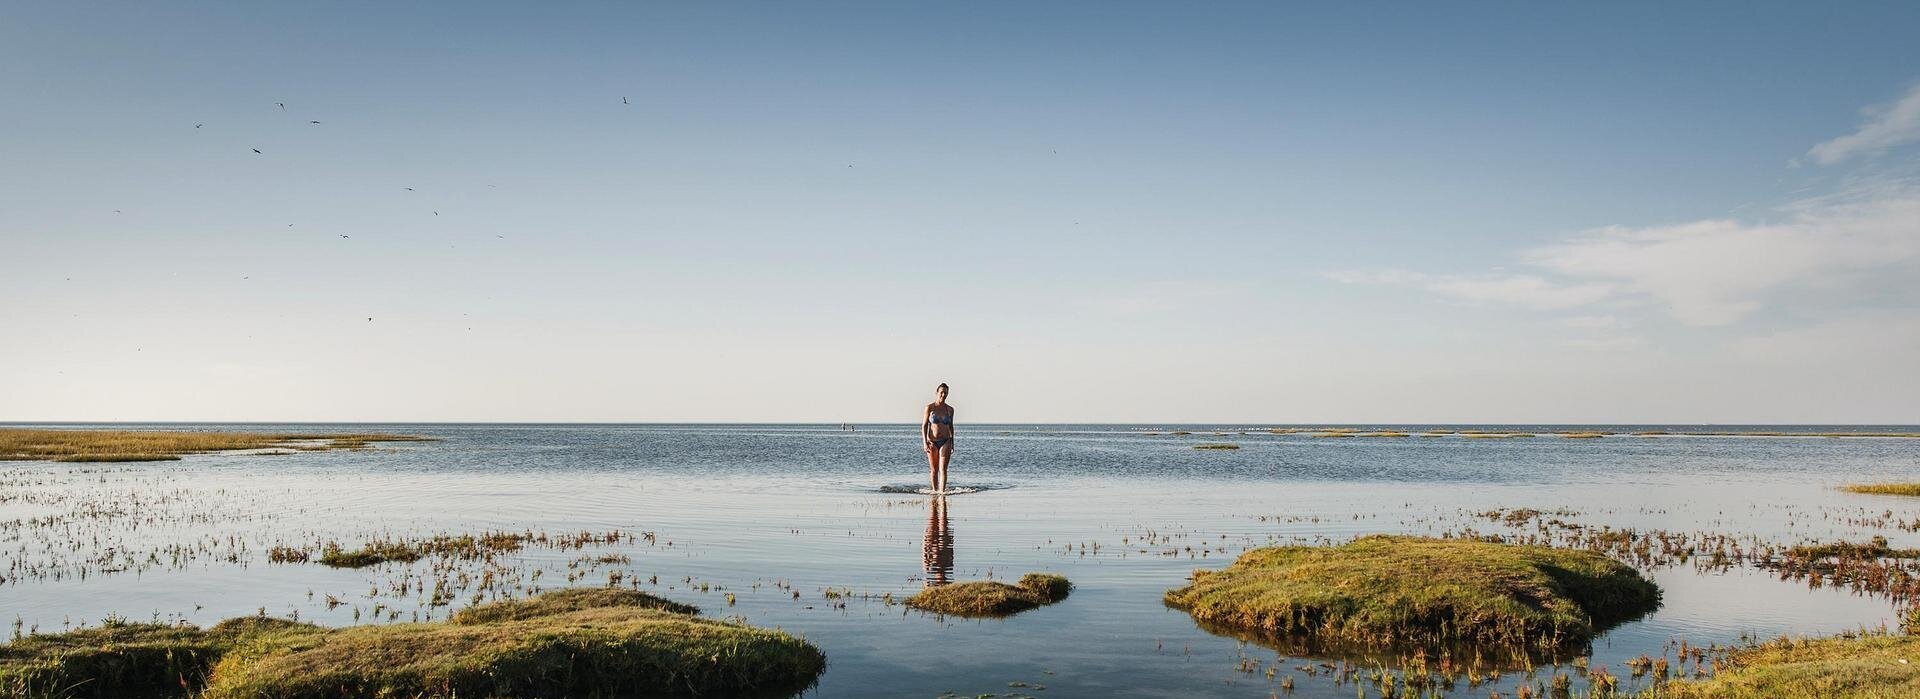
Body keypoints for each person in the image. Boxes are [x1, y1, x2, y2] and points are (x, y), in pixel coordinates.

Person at [922, 383, 955, 493]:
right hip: (932, 441)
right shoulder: (930, 408)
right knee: (934, 470)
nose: (943, 395)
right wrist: (925, 442)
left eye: (945, 393)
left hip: (946, 441)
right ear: (936, 393)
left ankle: (942, 492)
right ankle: (935, 491)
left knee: (943, 469)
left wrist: (952, 443)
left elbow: (951, 426)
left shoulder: (950, 410)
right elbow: (924, 425)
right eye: (941, 392)